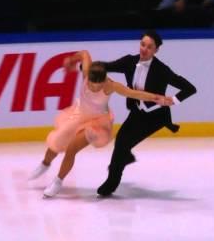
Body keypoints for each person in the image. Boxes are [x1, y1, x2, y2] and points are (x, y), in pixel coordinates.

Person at [28, 49, 172, 198]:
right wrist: (71, 60)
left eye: (99, 84)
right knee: (56, 142)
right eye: (92, 83)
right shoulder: (86, 71)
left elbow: (134, 93)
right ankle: (45, 164)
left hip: (97, 123)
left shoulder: (110, 85)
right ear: (87, 76)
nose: (95, 87)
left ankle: (57, 182)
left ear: (104, 79)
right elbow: (84, 53)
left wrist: (158, 97)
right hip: (79, 115)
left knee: (71, 149)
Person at [97, 30, 197, 197]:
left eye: (149, 47)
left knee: (122, 144)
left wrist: (172, 99)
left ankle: (111, 183)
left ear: (156, 50)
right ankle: (122, 161)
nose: (144, 49)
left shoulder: (162, 70)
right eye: (143, 44)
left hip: (155, 117)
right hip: (137, 112)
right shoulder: (130, 61)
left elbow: (190, 88)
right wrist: (88, 67)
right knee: (121, 141)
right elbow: (108, 66)